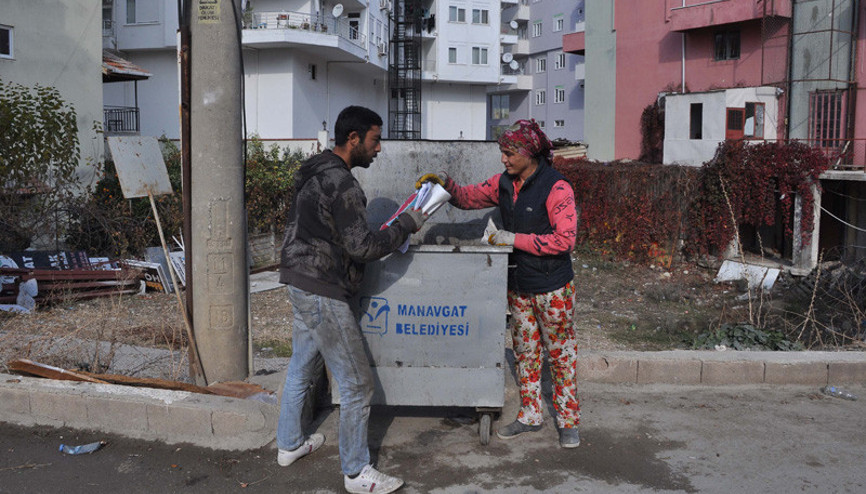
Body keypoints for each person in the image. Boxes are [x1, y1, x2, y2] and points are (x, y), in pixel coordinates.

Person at [277, 106, 425, 494]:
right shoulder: (343, 184)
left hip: (297, 277)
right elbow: (361, 246)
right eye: (375, 140)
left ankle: (289, 445)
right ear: (354, 139)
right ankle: (357, 472)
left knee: (302, 365)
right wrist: (404, 226)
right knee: (358, 384)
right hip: (323, 287)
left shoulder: (313, 170)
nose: (379, 149)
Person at [416, 119, 580, 448]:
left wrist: (512, 239)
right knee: (526, 353)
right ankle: (531, 416)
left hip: (553, 288)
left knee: (560, 354)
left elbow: (565, 240)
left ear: (529, 153)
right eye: (502, 153)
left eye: (509, 153)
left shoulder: (556, 187)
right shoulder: (503, 183)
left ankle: (568, 421)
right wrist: (446, 184)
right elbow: (467, 198)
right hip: (519, 284)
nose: (503, 160)